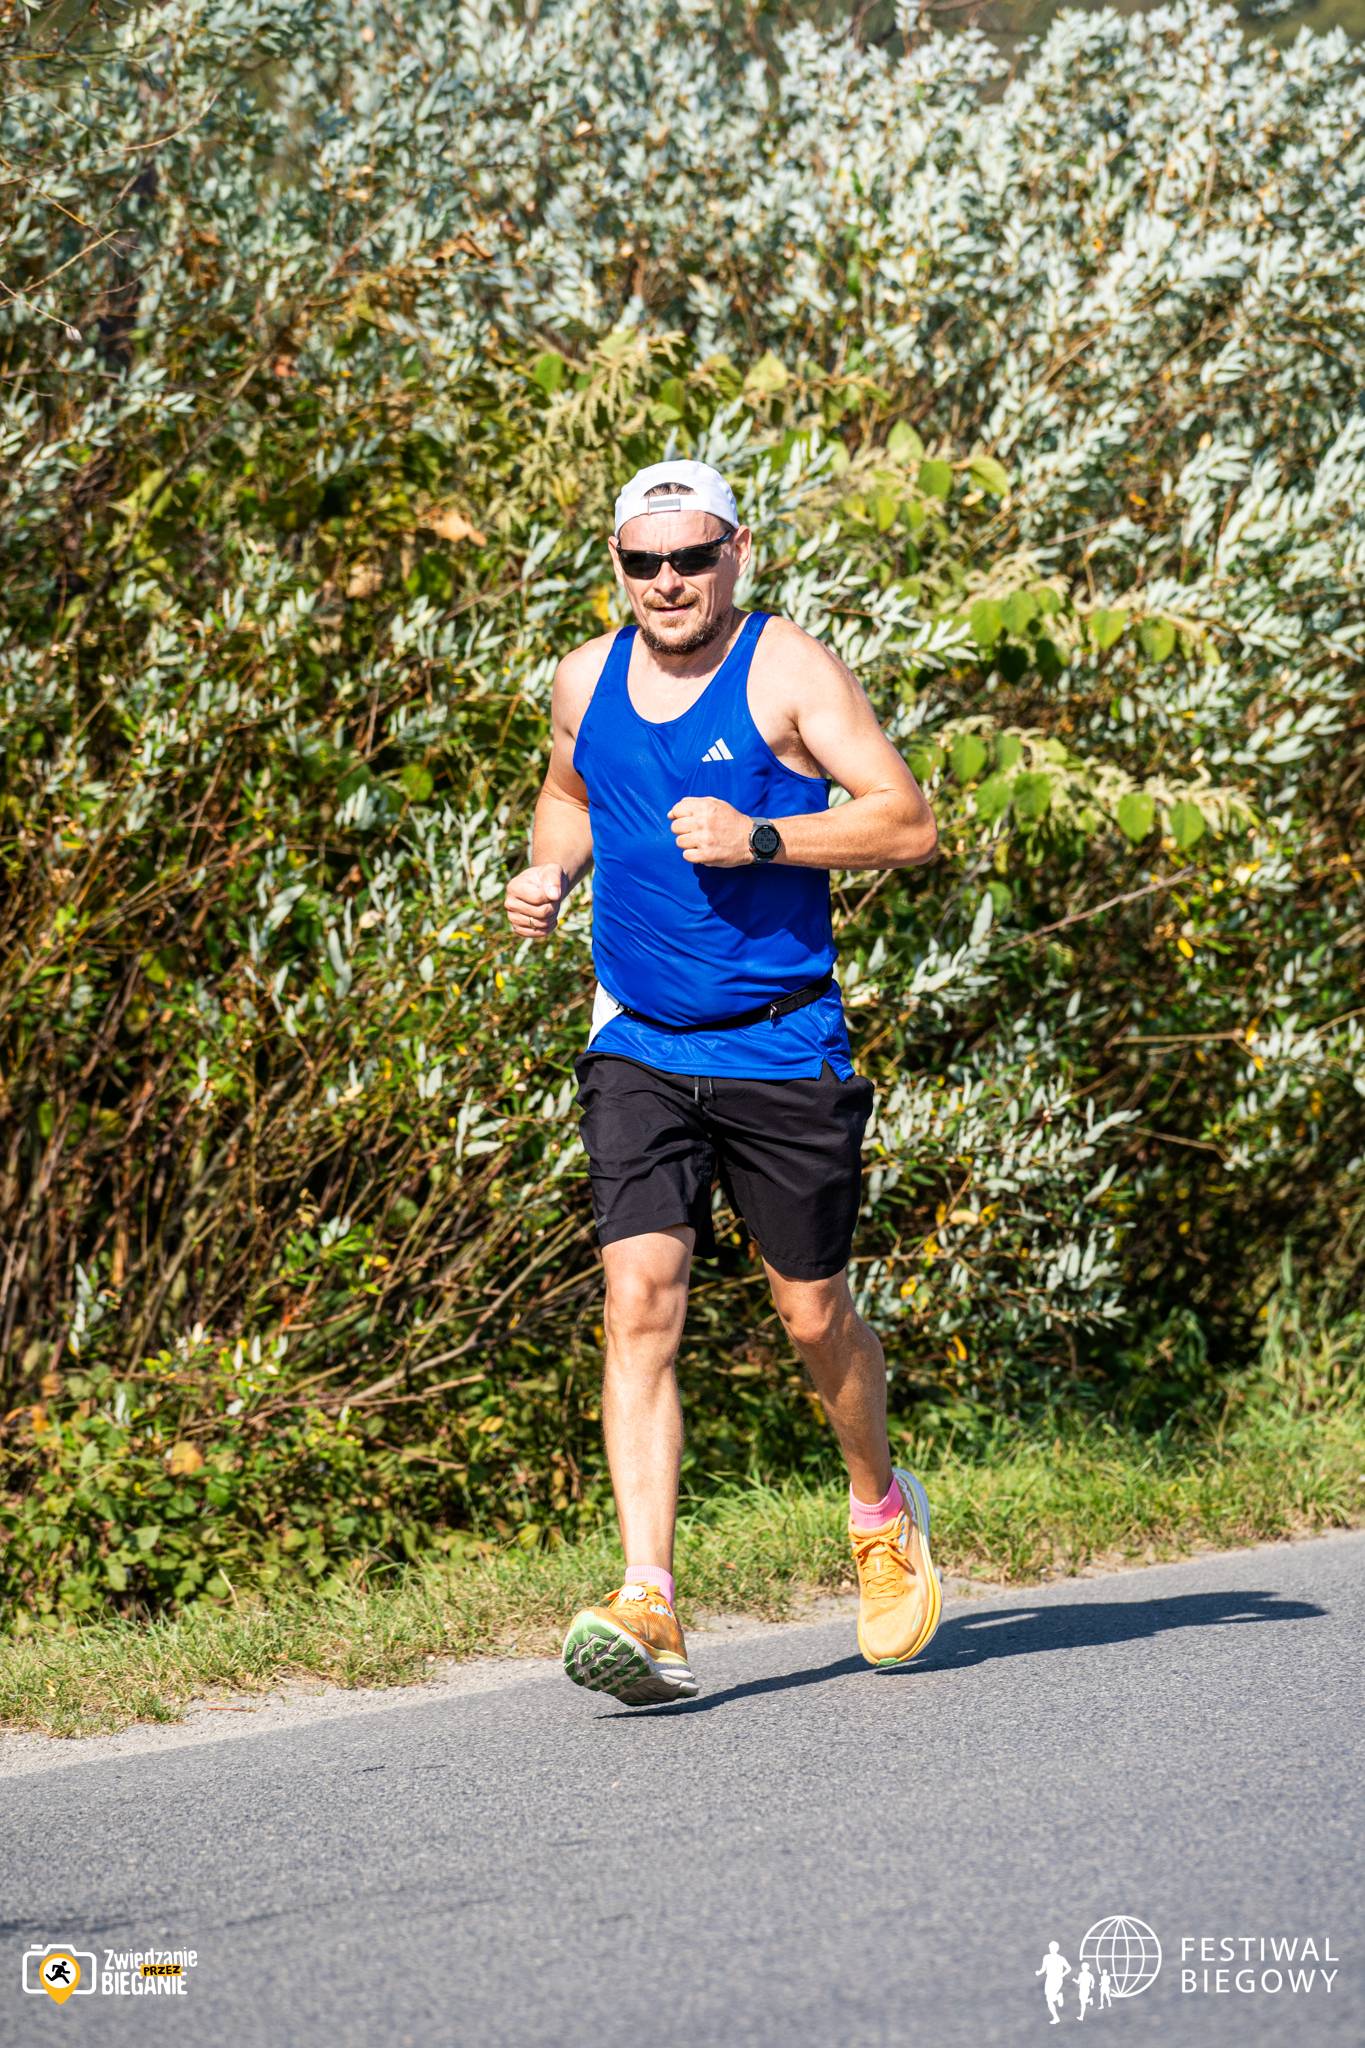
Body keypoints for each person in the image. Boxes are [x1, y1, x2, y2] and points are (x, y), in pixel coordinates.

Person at [504, 458, 939, 1704]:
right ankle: (648, 1598)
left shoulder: (789, 671)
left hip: (780, 1040)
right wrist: (550, 872)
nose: (667, 581)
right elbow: (569, 793)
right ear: (618, 563)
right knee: (639, 1297)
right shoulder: (583, 678)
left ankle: (880, 1510)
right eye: (644, 561)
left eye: (691, 557)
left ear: (737, 552)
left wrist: (761, 837)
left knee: (811, 1313)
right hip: (639, 1039)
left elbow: (906, 821)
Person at [1036, 1943, 1071, 2025]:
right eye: (1051, 1948)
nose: (1052, 1949)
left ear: (1057, 1949)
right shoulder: (1046, 1957)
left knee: (1050, 1999)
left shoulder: (1061, 1958)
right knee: (1049, 2000)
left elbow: (1069, 1968)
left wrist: (1062, 1975)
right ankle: (1056, 2017)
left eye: (1053, 1948)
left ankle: (1058, 1999)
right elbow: (1043, 1969)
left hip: (1057, 1979)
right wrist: (1038, 1973)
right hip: (1049, 1979)